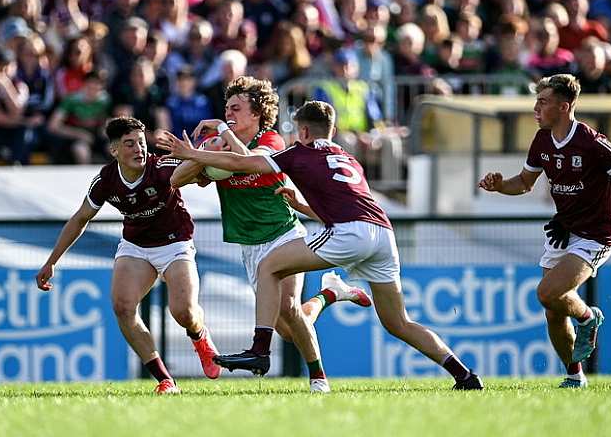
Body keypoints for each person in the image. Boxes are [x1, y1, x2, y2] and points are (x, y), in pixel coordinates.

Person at [156, 100, 484, 391]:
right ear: (334, 129)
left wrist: (193, 153)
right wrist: (302, 207)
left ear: (303, 131)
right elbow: (348, 205)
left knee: (268, 266)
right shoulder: (348, 157)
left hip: (348, 233)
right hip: (382, 233)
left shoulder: (300, 151)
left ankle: (259, 352)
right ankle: (464, 374)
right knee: (399, 322)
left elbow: (247, 164)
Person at [169, 77, 372, 393]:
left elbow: (250, 163)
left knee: (290, 308)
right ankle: (330, 293)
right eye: (226, 108)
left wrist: (222, 135)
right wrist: (198, 153)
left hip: (283, 234)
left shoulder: (273, 141)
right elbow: (175, 180)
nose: (229, 114)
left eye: (236, 108)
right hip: (249, 245)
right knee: (287, 329)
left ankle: (318, 379)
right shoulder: (220, 148)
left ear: (257, 113)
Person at [478, 74, 611, 388]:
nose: (536, 108)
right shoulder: (542, 139)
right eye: (536, 101)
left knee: (547, 292)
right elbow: (524, 183)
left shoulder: (591, 141)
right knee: (553, 310)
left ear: (563, 106)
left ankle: (587, 317)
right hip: (564, 230)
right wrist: (500, 185)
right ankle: (575, 377)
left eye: (543, 102)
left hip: (596, 235)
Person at [35, 117, 221, 395]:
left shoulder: (162, 167)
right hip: (136, 246)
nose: (139, 149)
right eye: (130, 144)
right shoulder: (106, 180)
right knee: (123, 307)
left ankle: (200, 338)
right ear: (114, 150)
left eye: (142, 143)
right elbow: (80, 219)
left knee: (183, 311)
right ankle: (165, 380)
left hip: (175, 243)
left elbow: (202, 175)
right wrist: (52, 261)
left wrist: (207, 157)